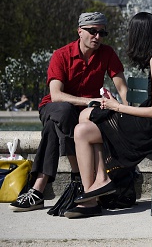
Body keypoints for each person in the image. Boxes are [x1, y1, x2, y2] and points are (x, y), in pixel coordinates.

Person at [63, 12, 152, 218]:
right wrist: (114, 105)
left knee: (86, 123)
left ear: (139, 34)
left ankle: (93, 194)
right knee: (85, 124)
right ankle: (97, 185)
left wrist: (116, 107)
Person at [10, 12, 127, 212]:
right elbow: (56, 95)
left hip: (78, 114)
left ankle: (38, 189)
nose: (98, 37)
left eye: (102, 33)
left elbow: (122, 87)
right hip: (54, 107)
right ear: (79, 31)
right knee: (63, 111)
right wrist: (90, 100)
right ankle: (78, 175)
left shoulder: (107, 53)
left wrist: (126, 109)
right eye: (92, 32)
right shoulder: (61, 55)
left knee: (52, 127)